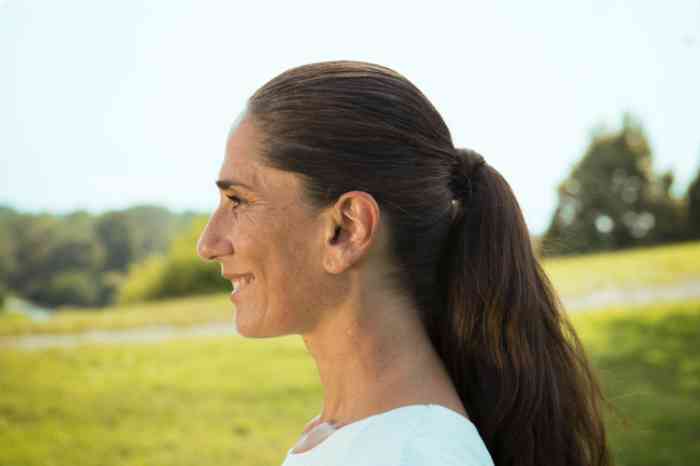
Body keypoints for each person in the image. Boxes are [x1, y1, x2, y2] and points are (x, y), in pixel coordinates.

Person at [196, 60, 612, 466]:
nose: (208, 244)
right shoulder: (348, 435)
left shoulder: (413, 453)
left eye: (238, 200)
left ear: (347, 228)